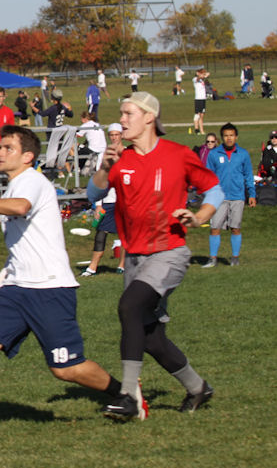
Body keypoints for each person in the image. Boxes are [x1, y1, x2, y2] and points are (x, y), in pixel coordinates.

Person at [0, 125, 125, 439]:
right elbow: (19, 250)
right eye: (0, 146)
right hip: (17, 288)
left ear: (27, 156)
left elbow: (21, 207)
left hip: (50, 288)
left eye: (8, 148)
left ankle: (125, 393)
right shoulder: (11, 187)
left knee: (65, 369)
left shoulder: (33, 182)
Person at [88, 92, 221, 419]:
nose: (121, 120)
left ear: (149, 117)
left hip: (169, 252)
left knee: (130, 307)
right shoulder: (121, 159)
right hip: (135, 258)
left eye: (128, 113)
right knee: (150, 337)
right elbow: (93, 193)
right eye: (121, 114)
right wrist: (105, 167)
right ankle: (198, 388)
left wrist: (199, 217)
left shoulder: (178, 154)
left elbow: (215, 190)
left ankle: (128, 397)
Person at [203, 123, 256, 268]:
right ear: (222, 138)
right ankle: (212, 259)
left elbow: (248, 175)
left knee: (235, 228)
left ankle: (235, 258)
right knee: (215, 227)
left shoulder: (243, 154)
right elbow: (208, 176)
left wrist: (252, 194)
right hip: (219, 198)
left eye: (231, 135)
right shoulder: (214, 154)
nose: (229, 138)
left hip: (237, 196)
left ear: (236, 137)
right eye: (226, 136)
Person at [81, 124, 126, 277]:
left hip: (124, 199)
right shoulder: (104, 154)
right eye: (112, 135)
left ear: (121, 135)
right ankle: (92, 267)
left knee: (125, 234)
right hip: (108, 198)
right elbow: (99, 179)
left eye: (117, 134)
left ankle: (122, 265)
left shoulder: (128, 153)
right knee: (101, 233)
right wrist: (98, 205)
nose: (114, 137)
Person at [192, 68, 210, 135]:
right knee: (197, 114)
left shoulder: (202, 80)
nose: (203, 74)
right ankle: (196, 129)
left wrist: (205, 75)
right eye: (202, 73)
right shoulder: (195, 79)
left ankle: (202, 130)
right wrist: (203, 75)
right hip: (198, 99)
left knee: (202, 115)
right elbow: (198, 78)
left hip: (203, 99)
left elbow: (207, 75)